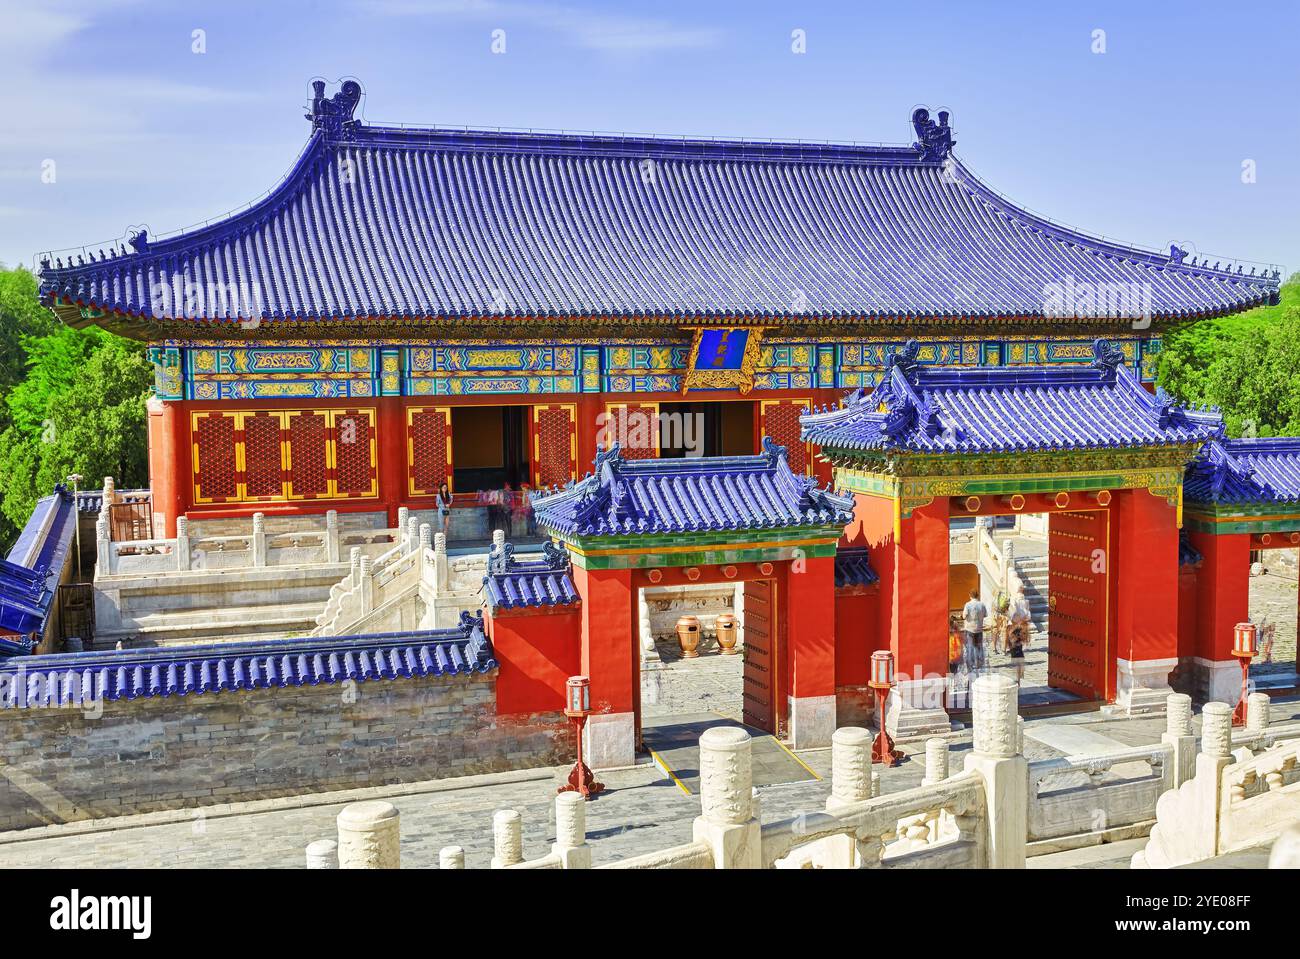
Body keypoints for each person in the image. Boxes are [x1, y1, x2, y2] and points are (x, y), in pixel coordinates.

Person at [1007, 589, 1031, 683]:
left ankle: (1018, 677)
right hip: (1018, 642)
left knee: (1016, 660)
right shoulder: (1025, 603)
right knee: (1019, 659)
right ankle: (1019, 677)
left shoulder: (1013, 624)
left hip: (1015, 643)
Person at [962, 587, 988, 672]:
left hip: (970, 628)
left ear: (970, 595)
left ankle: (970, 665)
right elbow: (985, 615)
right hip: (979, 628)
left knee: (970, 647)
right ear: (977, 595)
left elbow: (964, 616)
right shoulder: (982, 604)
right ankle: (978, 664)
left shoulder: (968, 605)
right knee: (978, 646)